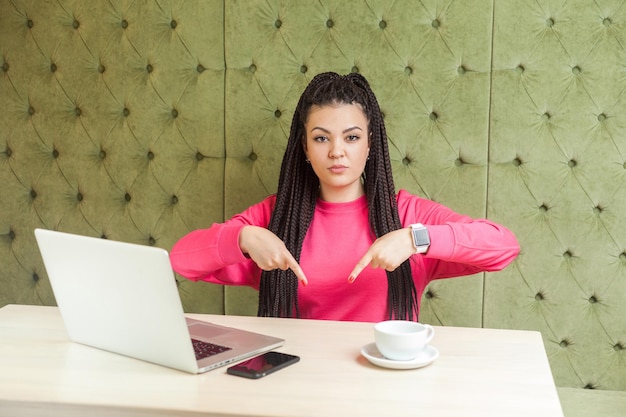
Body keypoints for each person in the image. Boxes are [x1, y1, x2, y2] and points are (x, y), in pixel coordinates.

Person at [170, 72, 519, 322]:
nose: (337, 151)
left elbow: (503, 246)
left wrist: (416, 239)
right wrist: (243, 237)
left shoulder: (404, 213)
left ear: (370, 145)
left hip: (387, 389)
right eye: (322, 138)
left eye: (351, 137)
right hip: (300, 386)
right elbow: (181, 259)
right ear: (305, 147)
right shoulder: (278, 217)